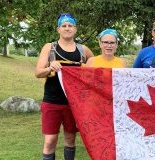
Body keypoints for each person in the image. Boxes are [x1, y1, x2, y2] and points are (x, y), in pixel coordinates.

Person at [35, 13, 94, 160]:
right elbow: (38, 72)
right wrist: (49, 67)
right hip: (52, 101)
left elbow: (95, 72)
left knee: (70, 140)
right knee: (50, 141)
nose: (67, 28)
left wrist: (87, 67)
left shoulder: (83, 50)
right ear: (58, 29)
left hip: (74, 103)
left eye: (70, 26)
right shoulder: (50, 47)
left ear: (75, 29)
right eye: (64, 26)